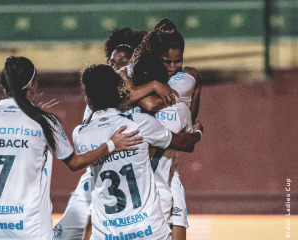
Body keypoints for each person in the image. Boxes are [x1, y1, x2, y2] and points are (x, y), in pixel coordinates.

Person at [0, 56, 143, 240]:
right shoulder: (44, 122)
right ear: (31, 85)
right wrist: (111, 144)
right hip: (30, 228)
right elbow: (74, 163)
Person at [54, 28, 178, 240]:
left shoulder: (149, 92)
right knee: (63, 234)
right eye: (112, 63)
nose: (117, 68)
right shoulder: (99, 96)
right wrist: (153, 85)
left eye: (123, 62)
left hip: (143, 182)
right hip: (97, 179)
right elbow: (119, 100)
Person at [76, 64, 203, 240]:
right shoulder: (139, 123)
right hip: (150, 230)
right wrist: (198, 132)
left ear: (89, 100)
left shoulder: (81, 134)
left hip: (108, 234)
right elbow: (185, 143)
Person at [128, 19, 202, 240]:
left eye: (177, 61)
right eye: (166, 62)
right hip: (141, 175)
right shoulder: (136, 72)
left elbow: (185, 116)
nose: (172, 67)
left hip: (169, 170)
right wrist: (151, 85)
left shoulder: (183, 79)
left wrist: (197, 87)